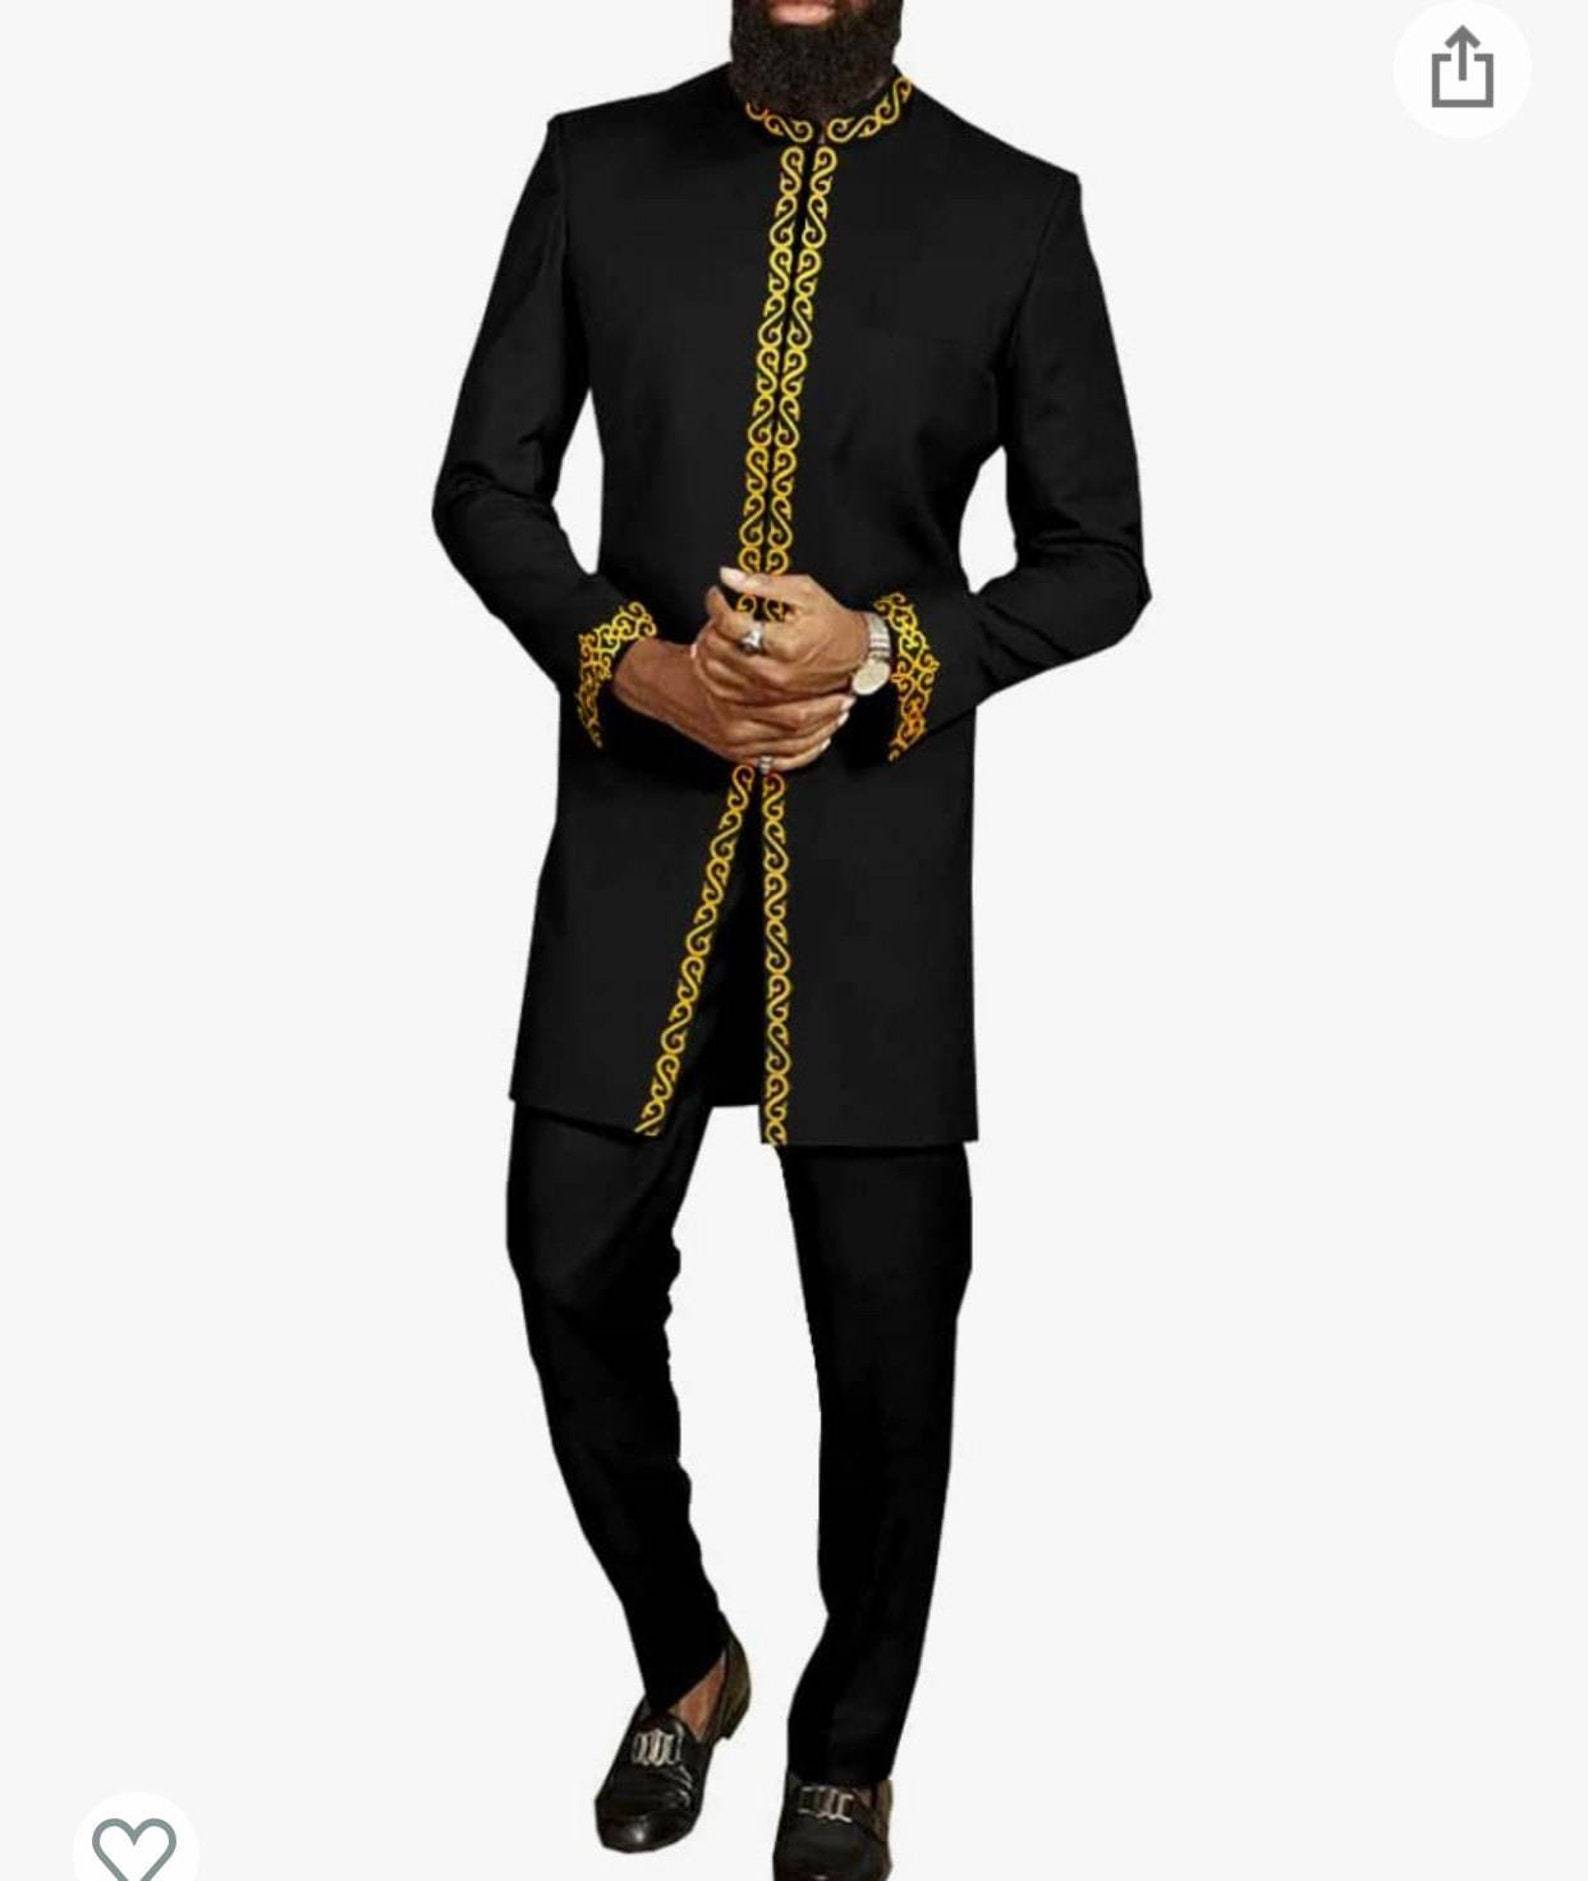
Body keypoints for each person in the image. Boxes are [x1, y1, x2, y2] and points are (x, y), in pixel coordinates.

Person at [433, 0, 1148, 1872]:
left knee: (890, 1332)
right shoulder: (596, 168)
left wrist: (890, 649)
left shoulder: (1014, 210)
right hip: (637, 845)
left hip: (876, 865)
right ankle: (685, 1661)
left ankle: (850, 1743)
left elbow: (1100, 558)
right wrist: (633, 665)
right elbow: (483, 485)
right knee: (564, 1258)